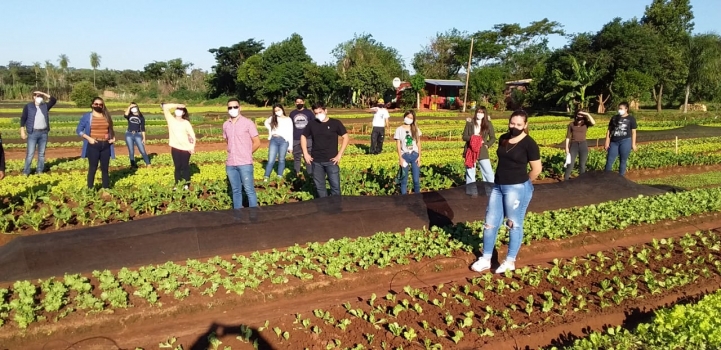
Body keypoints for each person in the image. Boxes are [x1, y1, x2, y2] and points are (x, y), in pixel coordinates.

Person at [471, 110, 542, 274]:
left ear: (525, 125)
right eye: (512, 123)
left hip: (517, 188)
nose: (515, 127)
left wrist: (523, 183)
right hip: (498, 187)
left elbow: (536, 169)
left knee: (513, 224)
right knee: (489, 224)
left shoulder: (529, 144)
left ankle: (510, 261)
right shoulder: (504, 138)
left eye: (519, 124)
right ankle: (486, 258)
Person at [301, 102, 349, 197]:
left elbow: (346, 137)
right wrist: (305, 153)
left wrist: (339, 155)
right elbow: (303, 136)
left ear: (326, 111)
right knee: (320, 187)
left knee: (335, 187)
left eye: (320, 112)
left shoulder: (335, 123)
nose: (318, 115)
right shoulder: (312, 124)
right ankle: (324, 208)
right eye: (316, 113)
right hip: (316, 161)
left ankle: (336, 208)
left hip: (331, 160)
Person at [224, 98, 261, 209]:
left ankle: (254, 215)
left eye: (235, 107)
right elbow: (228, 141)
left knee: (249, 190)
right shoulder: (226, 125)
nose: (233, 109)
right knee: (236, 191)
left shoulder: (248, 123)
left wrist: (247, 153)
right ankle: (238, 215)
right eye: (230, 107)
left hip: (245, 163)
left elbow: (257, 142)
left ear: (240, 108)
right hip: (231, 163)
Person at [76, 97, 116, 189]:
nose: (98, 106)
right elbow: (79, 130)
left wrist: (112, 137)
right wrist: (88, 138)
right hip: (94, 144)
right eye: (96, 104)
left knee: (105, 169)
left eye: (100, 104)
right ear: (92, 105)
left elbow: (110, 129)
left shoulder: (106, 116)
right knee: (93, 168)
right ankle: (90, 188)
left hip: (106, 145)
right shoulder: (87, 116)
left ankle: (106, 188)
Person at [20, 91, 56, 175]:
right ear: (34, 97)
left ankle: (39, 170)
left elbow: (53, 100)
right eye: (37, 96)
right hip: (33, 133)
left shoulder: (45, 106)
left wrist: (42, 93)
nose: (39, 97)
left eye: (41, 96)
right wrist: (22, 130)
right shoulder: (28, 106)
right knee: (30, 153)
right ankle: (26, 171)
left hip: (43, 133)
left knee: (41, 154)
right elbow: (23, 118)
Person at [162, 103, 196, 190]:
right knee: (177, 167)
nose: (178, 111)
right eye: (178, 109)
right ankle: (177, 184)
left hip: (186, 148)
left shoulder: (186, 123)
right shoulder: (171, 120)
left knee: (185, 166)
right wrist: (178, 104)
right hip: (175, 147)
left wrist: (192, 146)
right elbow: (165, 107)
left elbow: (192, 135)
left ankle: (186, 184)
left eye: (181, 110)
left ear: (183, 113)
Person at [463, 106, 496, 194]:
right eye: (478, 112)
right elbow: (464, 137)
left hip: (482, 150)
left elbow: (493, 138)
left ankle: (490, 191)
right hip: (470, 150)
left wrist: (487, 145)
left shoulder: (488, 124)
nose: (479, 114)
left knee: (487, 171)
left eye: (481, 112)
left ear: (484, 114)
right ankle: (471, 192)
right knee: (470, 172)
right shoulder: (470, 123)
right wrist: (474, 138)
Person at [604, 102, 638, 176]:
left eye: (621, 108)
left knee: (623, 160)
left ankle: (621, 178)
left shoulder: (631, 119)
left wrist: (633, 144)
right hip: (614, 142)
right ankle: (606, 178)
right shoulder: (614, 118)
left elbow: (633, 132)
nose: (619, 110)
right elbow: (609, 130)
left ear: (626, 109)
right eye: (619, 108)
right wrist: (607, 141)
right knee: (609, 160)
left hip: (625, 141)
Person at [394, 110, 422, 195]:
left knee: (416, 180)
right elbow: (398, 145)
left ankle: (417, 198)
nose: (409, 119)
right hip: (405, 156)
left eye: (411, 118)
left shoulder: (415, 129)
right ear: (404, 117)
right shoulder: (399, 129)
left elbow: (419, 143)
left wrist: (419, 156)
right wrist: (400, 158)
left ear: (413, 119)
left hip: (414, 155)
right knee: (404, 180)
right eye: (408, 117)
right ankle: (404, 199)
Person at [263, 104, 293, 181]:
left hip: (284, 141)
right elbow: (266, 123)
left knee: (281, 159)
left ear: (282, 109)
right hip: (274, 140)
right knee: (271, 159)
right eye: (275, 111)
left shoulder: (288, 119)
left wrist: (290, 147)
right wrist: (270, 129)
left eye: (278, 110)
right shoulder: (273, 118)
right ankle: (266, 176)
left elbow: (290, 133)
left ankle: (279, 176)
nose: (277, 112)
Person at [564, 109, 596, 180]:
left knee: (582, 164)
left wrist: (587, 114)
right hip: (574, 145)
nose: (580, 116)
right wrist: (566, 147)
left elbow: (593, 123)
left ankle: (582, 180)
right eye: (579, 114)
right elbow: (568, 136)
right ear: (576, 115)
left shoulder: (586, 123)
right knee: (570, 164)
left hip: (583, 145)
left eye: (582, 114)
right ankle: (565, 180)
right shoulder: (571, 124)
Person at [289, 97, 315, 177]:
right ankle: (296, 174)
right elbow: (290, 126)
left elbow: (314, 125)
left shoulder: (309, 113)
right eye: (297, 102)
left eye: (301, 102)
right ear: (295, 103)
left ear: (304, 102)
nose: (299, 103)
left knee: (308, 157)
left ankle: (309, 175)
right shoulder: (292, 113)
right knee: (297, 157)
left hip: (308, 138)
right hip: (296, 138)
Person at [123, 102, 151, 168]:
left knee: (142, 150)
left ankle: (148, 163)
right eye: (132, 107)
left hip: (138, 134)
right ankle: (133, 165)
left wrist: (144, 138)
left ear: (137, 107)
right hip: (129, 134)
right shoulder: (129, 115)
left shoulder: (141, 117)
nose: (133, 108)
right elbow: (125, 115)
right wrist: (129, 107)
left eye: (134, 107)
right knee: (131, 150)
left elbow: (143, 128)